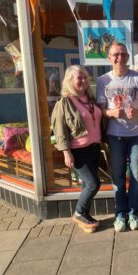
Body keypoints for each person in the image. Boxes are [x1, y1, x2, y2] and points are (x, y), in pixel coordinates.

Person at [96, 42, 138, 232]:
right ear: (109, 57)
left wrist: (137, 111)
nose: (120, 58)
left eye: (123, 54)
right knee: (118, 177)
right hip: (115, 135)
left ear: (128, 57)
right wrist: (111, 113)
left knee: (136, 176)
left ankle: (133, 213)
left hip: (136, 134)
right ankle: (120, 214)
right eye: (116, 54)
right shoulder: (103, 81)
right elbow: (101, 110)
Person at [51, 65, 102, 233]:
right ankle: (79, 212)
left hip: (94, 148)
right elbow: (60, 130)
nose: (83, 81)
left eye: (85, 78)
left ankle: (84, 215)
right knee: (93, 184)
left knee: (86, 184)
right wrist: (66, 153)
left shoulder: (90, 98)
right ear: (70, 81)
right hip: (78, 151)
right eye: (79, 78)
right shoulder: (64, 102)